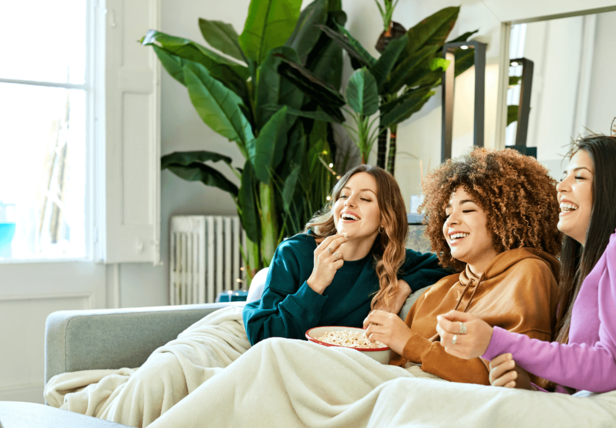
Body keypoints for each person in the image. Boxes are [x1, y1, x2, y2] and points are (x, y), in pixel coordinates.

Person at [363, 147, 563, 386]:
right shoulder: (440, 289)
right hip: (392, 387)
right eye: (447, 215)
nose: (451, 222)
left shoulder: (529, 273)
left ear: (506, 215)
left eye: (468, 209)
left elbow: (518, 380)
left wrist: (412, 344)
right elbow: (394, 361)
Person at [436, 135, 616, 394]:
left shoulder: (532, 271)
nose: (561, 186)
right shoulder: (579, 272)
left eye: (579, 177)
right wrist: (527, 389)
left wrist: (494, 341)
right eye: (565, 175)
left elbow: (609, 367)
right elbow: (572, 394)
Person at [243, 164, 453, 345]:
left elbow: (451, 262)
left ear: (385, 219)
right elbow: (265, 337)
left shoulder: (388, 261)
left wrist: (402, 289)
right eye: (344, 195)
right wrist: (315, 284)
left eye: (364, 198)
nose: (349, 202)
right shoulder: (294, 253)